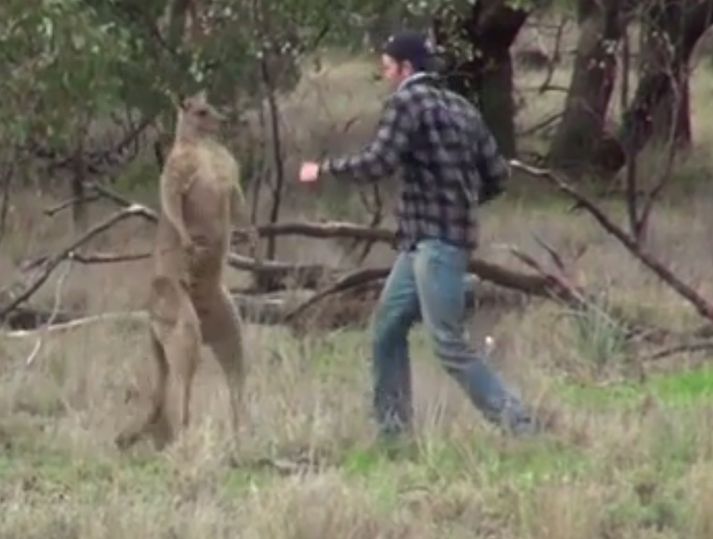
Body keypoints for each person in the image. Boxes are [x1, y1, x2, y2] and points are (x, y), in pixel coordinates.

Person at [298, 30, 539, 439]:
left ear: (407, 69)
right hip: (426, 244)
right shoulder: (463, 108)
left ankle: (520, 424)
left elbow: (379, 161)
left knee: (447, 343)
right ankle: (393, 432)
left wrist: (324, 171)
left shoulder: (408, 101)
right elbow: (498, 175)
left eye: (389, 69)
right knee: (387, 329)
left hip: (436, 245)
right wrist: (460, 199)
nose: (387, 77)